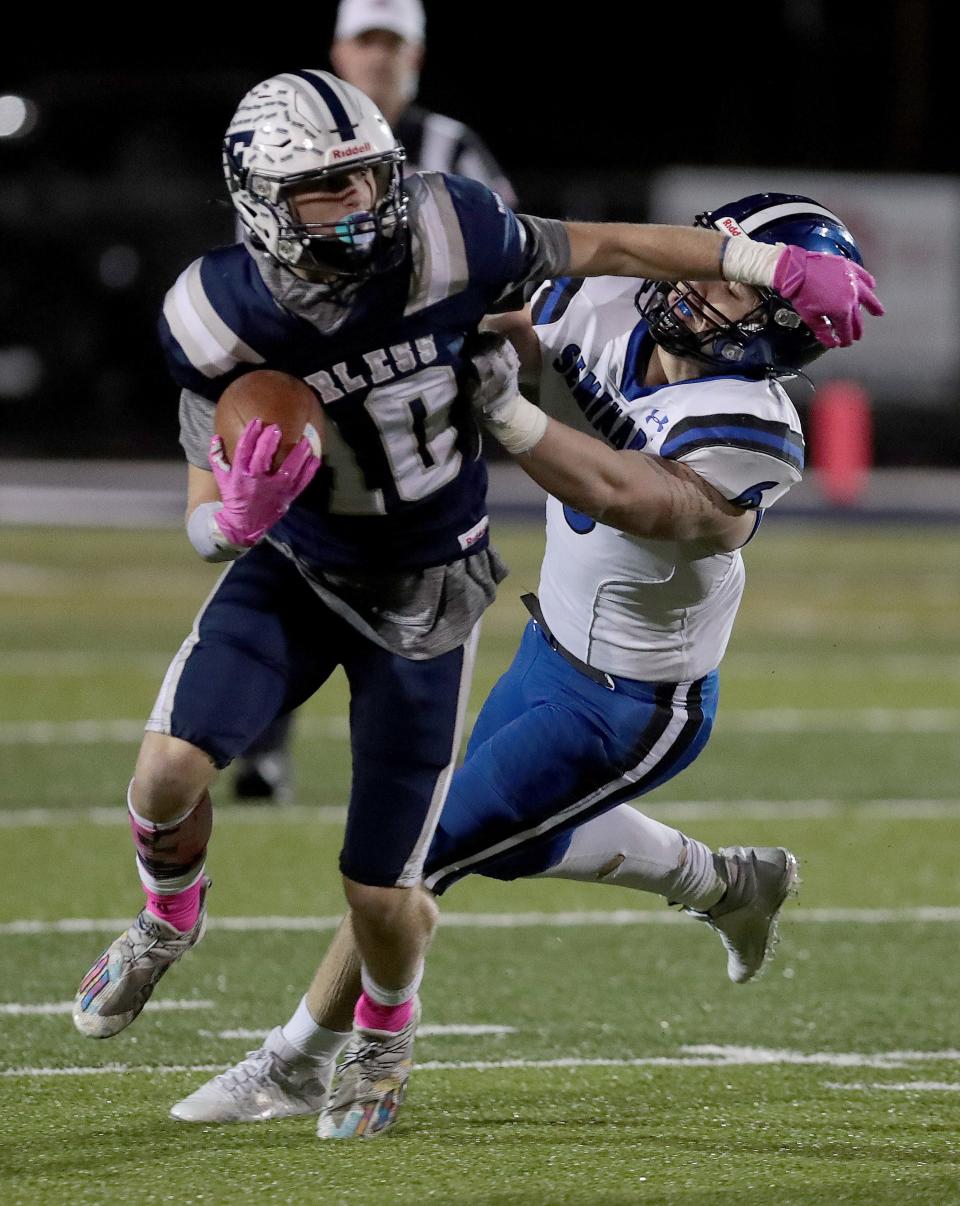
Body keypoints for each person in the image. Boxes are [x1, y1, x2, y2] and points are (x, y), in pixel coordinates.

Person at [69, 69, 879, 1116]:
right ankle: (729, 884)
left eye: (734, 293)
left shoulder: (758, 424)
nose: (702, 292)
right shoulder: (612, 310)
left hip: (636, 701)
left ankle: (294, 1060)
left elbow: (651, 502)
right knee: (517, 839)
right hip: (549, 647)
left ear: (782, 329)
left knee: (429, 856)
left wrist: (511, 419)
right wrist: (738, 261)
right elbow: (561, 286)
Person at [233, 0, 518, 803]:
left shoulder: (452, 148)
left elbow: (505, 257)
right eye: (368, 41)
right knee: (286, 547)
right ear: (339, 50)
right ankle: (262, 744)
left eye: (394, 44)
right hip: (315, 389)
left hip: (422, 397)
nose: (380, 58)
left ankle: (406, 759)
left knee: (422, 565)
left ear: (417, 57)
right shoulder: (283, 137)